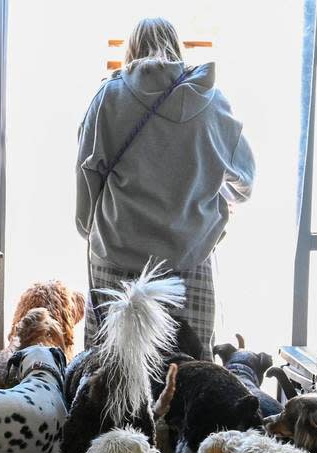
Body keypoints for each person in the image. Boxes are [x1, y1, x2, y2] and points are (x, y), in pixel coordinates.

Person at [75, 17, 254, 347]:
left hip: (116, 256)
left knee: (110, 370)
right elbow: (246, 183)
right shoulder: (213, 103)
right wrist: (212, 187)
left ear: (131, 51)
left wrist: (89, 229)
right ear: (178, 48)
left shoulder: (108, 99)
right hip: (190, 259)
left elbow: (88, 174)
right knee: (188, 374)